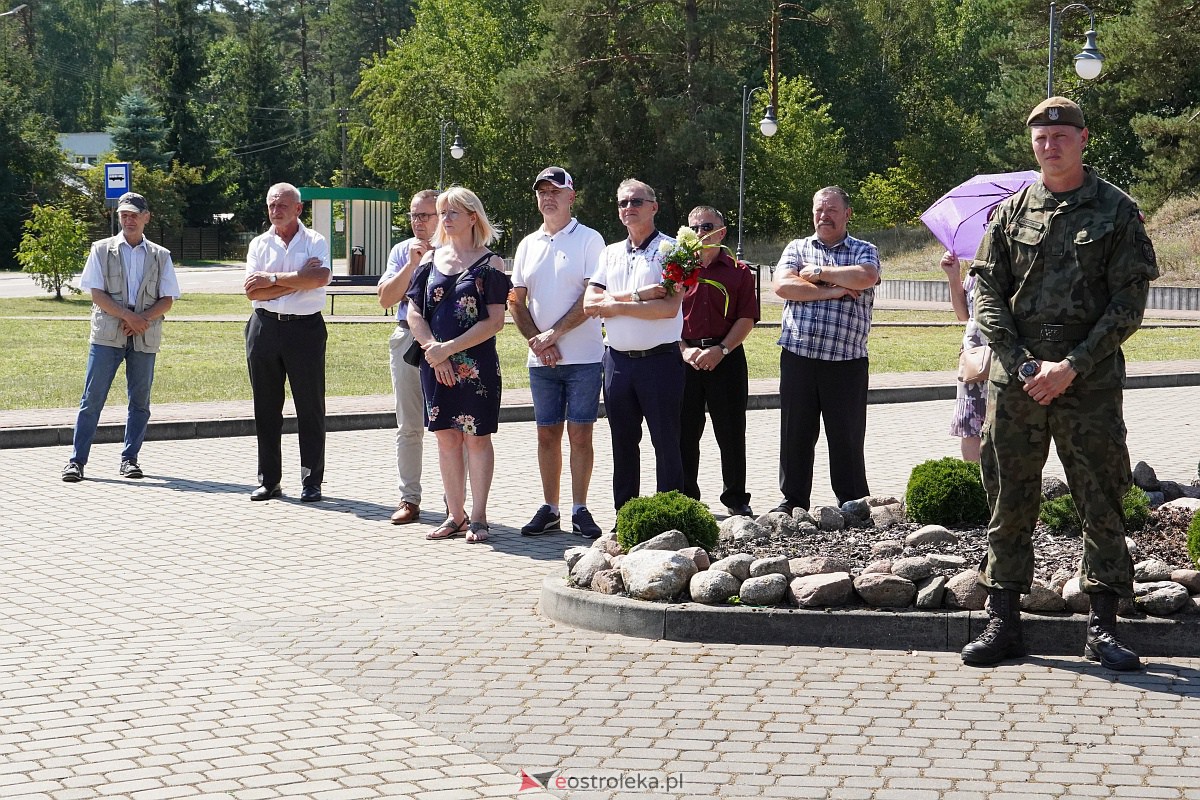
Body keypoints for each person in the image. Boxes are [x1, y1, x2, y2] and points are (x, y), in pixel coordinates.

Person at [962, 96, 1159, 671]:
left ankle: (1102, 626)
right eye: (1041, 138)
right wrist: (1024, 365)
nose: (1051, 146)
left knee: (1099, 497)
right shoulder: (1010, 211)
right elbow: (987, 294)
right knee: (1008, 496)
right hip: (1017, 381)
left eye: (1061, 136)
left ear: (1083, 138)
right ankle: (1003, 621)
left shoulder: (1117, 211)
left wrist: (1071, 364)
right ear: (1033, 144)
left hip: (1088, 380)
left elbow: (1128, 302)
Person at [406, 187, 511, 544]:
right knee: (446, 439)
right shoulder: (428, 260)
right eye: (442, 212)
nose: (445, 219)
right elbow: (414, 311)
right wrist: (433, 350)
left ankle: (479, 518)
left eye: (453, 212)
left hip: (476, 366)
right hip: (434, 364)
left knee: (476, 439)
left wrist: (448, 348)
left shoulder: (491, 263)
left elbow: (494, 321)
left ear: (472, 217)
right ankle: (455, 515)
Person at [770, 186, 881, 514]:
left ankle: (852, 502)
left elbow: (866, 276)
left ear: (847, 214)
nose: (824, 215)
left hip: (845, 363)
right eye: (819, 209)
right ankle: (792, 500)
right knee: (795, 435)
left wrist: (818, 273)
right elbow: (782, 285)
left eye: (831, 210)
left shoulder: (864, 250)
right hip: (799, 357)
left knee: (846, 437)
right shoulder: (797, 247)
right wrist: (832, 291)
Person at [509, 167, 606, 539]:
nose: (547, 197)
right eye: (542, 191)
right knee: (546, 435)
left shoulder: (589, 240)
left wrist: (555, 334)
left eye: (555, 190)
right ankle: (550, 508)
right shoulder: (528, 244)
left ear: (571, 196)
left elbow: (591, 297)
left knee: (581, 435)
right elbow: (515, 300)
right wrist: (537, 340)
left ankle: (579, 507)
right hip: (541, 360)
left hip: (583, 358)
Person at [60, 192, 181, 483]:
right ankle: (76, 462)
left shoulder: (161, 255)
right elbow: (96, 294)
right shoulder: (101, 249)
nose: (128, 219)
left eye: (134, 214)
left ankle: (130, 460)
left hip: (144, 335)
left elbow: (168, 299)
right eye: (124, 215)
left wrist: (143, 320)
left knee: (140, 401)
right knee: (92, 399)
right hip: (107, 335)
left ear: (146, 217)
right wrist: (129, 317)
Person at [584, 178, 685, 512]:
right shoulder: (609, 253)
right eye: (623, 203)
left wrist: (612, 305)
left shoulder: (674, 251)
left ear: (654, 206)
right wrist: (636, 296)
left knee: (666, 443)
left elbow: (667, 308)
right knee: (623, 443)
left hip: (660, 362)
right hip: (617, 363)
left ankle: (669, 516)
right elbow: (589, 303)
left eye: (636, 202)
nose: (629, 208)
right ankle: (625, 516)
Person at [243, 182, 331, 503]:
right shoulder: (259, 244)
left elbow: (319, 279)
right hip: (264, 328)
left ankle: (311, 481)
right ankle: (269, 480)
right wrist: (298, 280)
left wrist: (274, 279)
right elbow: (253, 291)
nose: (275, 210)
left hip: (305, 330)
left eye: (282, 205)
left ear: (298, 209)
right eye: (271, 205)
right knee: (265, 408)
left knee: (310, 407)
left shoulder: (316, 241)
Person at [678, 206, 760, 517]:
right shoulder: (677, 269)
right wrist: (684, 350)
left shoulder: (739, 271)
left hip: (726, 358)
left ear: (722, 232)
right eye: (694, 227)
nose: (700, 233)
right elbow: (667, 316)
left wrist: (721, 350)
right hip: (685, 359)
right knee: (685, 433)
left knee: (731, 432)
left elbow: (746, 318)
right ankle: (687, 498)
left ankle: (736, 498)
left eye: (707, 226)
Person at [378, 189, 438, 524]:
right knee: (409, 425)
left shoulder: (452, 249)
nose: (418, 222)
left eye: (424, 215)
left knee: (450, 428)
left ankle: (454, 504)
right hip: (405, 338)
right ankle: (409, 499)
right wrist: (412, 263)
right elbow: (385, 298)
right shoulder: (401, 251)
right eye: (414, 215)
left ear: (441, 216)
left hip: (445, 342)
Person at [942, 250, 986, 462]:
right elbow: (963, 315)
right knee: (970, 423)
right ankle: (977, 487)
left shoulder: (1019, 263)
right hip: (973, 359)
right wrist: (953, 276)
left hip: (1005, 356)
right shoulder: (976, 268)